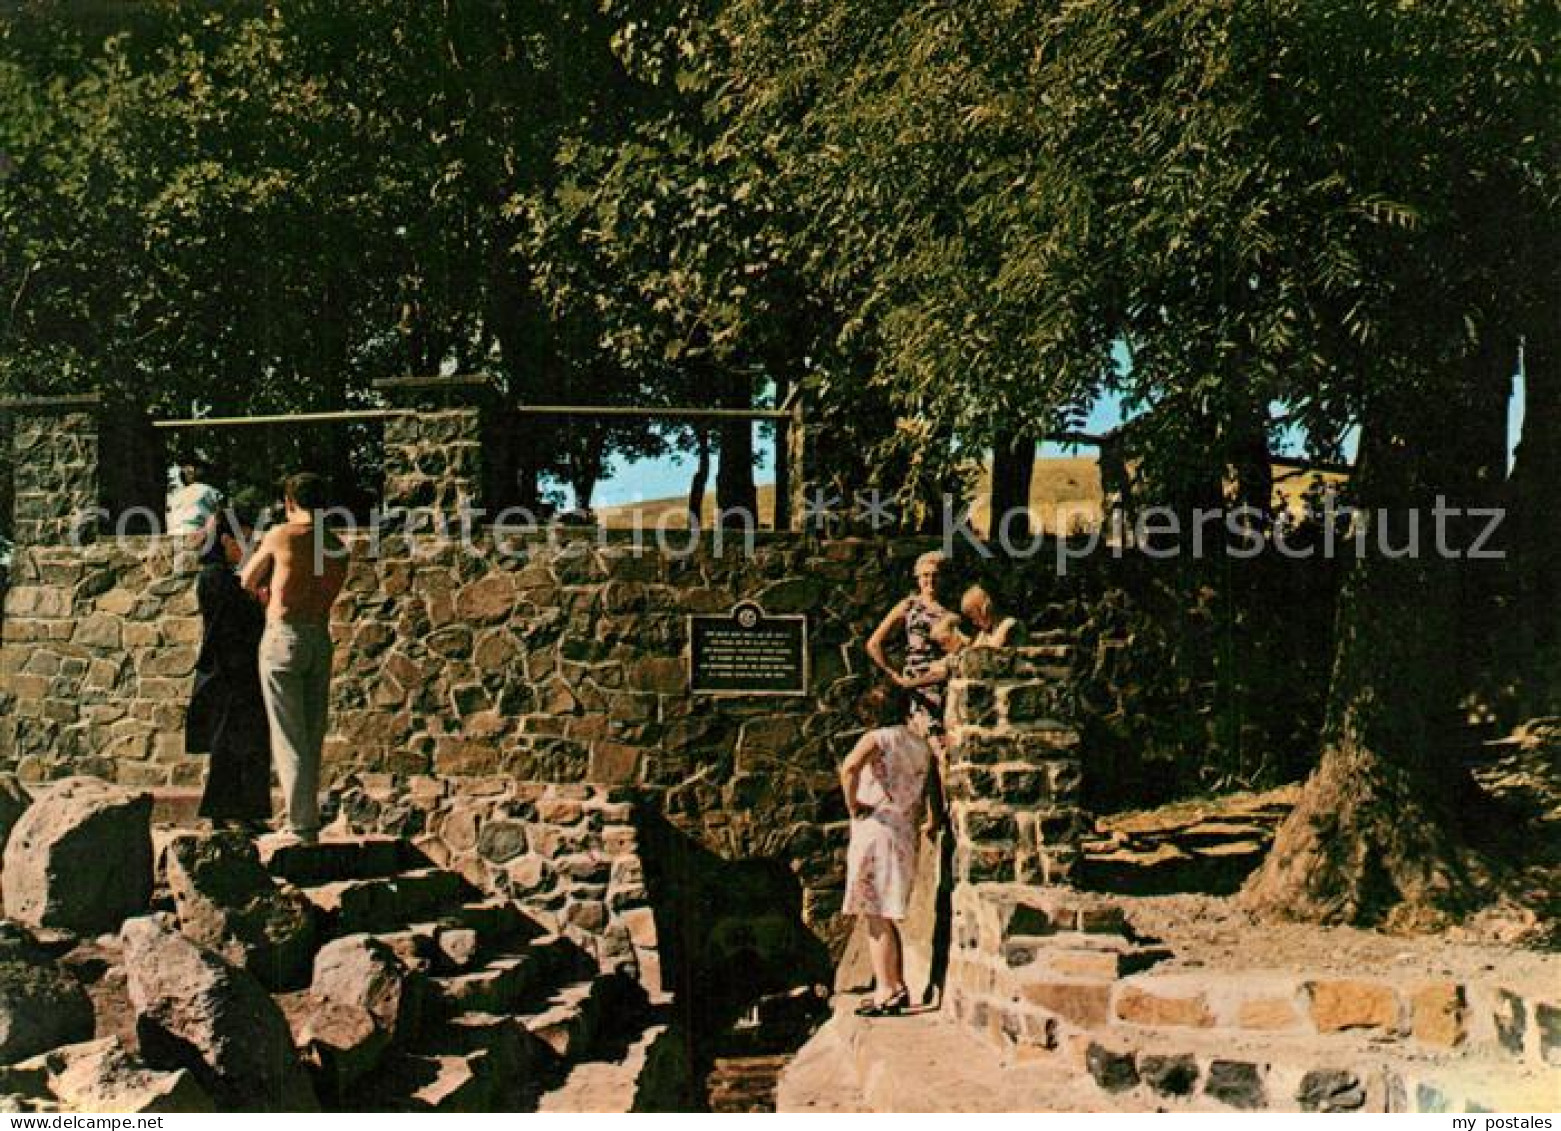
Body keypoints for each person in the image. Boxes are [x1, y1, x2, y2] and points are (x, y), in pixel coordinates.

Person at [240, 472, 348, 844]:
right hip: (319, 635)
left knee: (288, 736)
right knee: (312, 734)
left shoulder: (281, 535)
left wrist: (267, 593)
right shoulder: (335, 545)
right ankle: (307, 817)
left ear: (289, 502)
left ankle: (300, 824)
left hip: (284, 635)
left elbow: (247, 579)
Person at [840, 683, 935, 1017]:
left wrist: (853, 803)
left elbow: (849, 767)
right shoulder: (919, 744)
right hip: (904, 829)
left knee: (875, 914)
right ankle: (895, 984)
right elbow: (932, 785)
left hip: (877, 827)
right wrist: (933, 818)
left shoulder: (877, 739)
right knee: (886, 910)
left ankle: (888, 990)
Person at [186, 498, 272, 830]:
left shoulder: (222, 577)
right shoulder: (215, 578)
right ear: (225, 540)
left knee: (243, 744)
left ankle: (241, 812)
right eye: (244, 540)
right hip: (228, 673)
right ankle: (231, 813)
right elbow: (233, 625)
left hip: (234, 671)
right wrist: (257, 603)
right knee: (232, 746)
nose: (249, 548)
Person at [866, 551, 953, 736]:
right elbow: (874, 643)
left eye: (936, 575)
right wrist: (894, 675)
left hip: (946, 683)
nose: (930, 580)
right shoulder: (909, 606)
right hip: (915, 687)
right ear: (918, 578)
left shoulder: (952, 609)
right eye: (925, 575)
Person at [166, 460, 223, 536]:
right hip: (196, 532)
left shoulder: (176, 495)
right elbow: (218, 515)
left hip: (177, 532)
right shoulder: (209, 490)